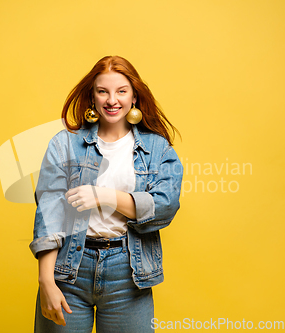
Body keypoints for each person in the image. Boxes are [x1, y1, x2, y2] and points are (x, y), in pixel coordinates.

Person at [29, 55, 183, 332]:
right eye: (103, 91)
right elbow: (49, 214)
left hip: (129, 272)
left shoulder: (157, 148)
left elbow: (165, 206)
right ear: (92, 96)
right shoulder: (65, 144)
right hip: (70, 269)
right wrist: (46, 281)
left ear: (134, 97)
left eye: (121, 91)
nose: (112, 100)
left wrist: (103, 196)